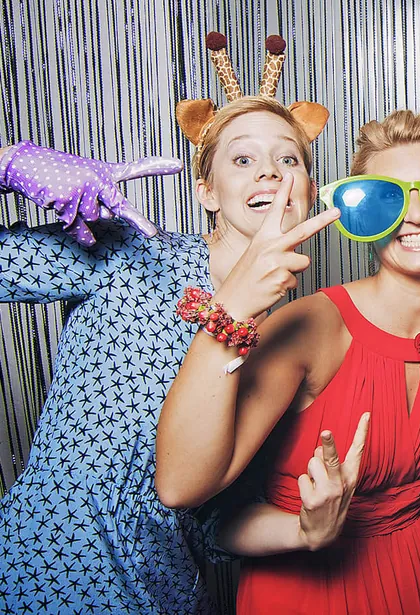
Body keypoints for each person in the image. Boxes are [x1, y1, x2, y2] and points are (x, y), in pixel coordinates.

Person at [0, 32, 338, 613]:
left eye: (289, 159)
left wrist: (304, 530)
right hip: (37, 575)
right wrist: (8, 163)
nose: (269, 173)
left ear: (308, 190)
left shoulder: (285, 339)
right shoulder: (131, 255)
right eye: (242, 159)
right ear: (207, 190)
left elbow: (213, 520)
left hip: (162, 596)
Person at [156, 109, 420, 614]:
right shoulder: (314, 327)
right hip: (306, 591)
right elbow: (181, 486)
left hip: (415, 578)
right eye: (389, 199)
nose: (418, 217)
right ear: (361, 217)